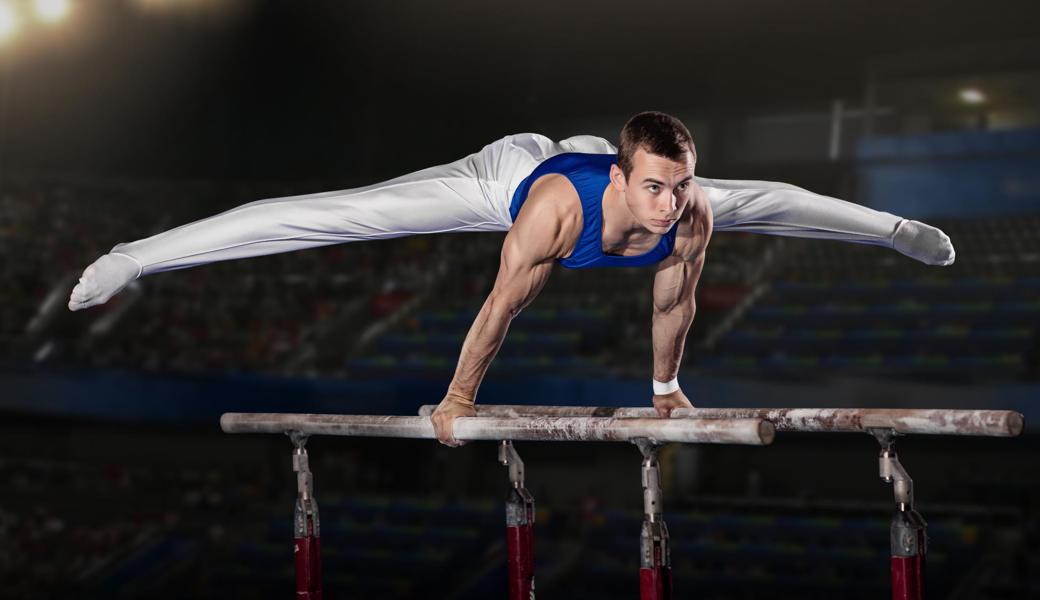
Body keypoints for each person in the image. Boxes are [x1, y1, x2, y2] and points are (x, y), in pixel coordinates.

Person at [67, 111, 955, 446]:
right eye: (653, 186)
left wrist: (667, 389)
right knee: (342, 212)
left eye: (678, 185)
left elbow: (674, 300)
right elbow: (499, 310)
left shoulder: (684, 205)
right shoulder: (555, 216)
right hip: (514, 178)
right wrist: (458, 401)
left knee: (775, 201)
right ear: (621, 175)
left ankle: (902, 230)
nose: (668, 202)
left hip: (590, 176)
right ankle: (137, 257)